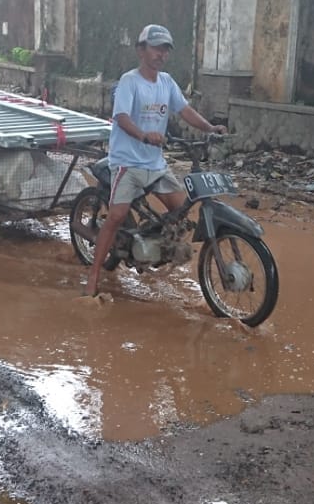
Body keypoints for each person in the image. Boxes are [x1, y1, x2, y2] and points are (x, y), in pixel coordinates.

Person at [82, 24, 227, 298]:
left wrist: (210, 128)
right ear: (141, 50)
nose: (161, 54)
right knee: (116, 216)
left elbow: (184, 110)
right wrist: (144, 135)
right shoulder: (129, 81)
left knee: (181, 213)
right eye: (155, 48)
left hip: (156, 164)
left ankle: (153, 245)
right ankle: (93, 276)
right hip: (128, 162)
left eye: (165, 49)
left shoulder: (167, 82)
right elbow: (121, 117)